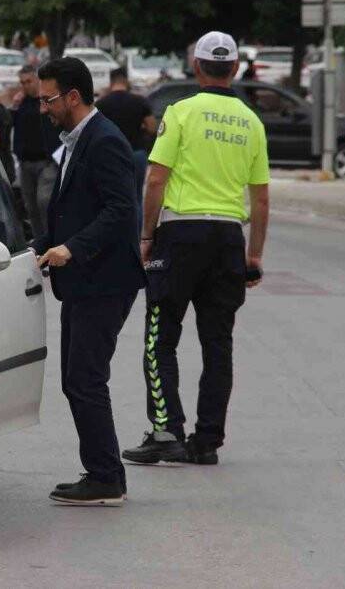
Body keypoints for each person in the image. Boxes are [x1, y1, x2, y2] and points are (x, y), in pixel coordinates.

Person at [122, 31, 270, 467]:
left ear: (197, 67)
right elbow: (260, 198)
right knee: (217, 342)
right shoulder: (251, 122)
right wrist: (254, 254)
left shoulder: (181, 113)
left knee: (159, 336)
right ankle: (207, 441)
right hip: (228, 238)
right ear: (237, 68)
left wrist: (146, 236)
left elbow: (155, 178)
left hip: (181, 234)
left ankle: (167, 431)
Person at [33, 57, 145, 506]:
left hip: (106, 279)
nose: (44, 108)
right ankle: (101, 470)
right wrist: (37, 245)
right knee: (76, 379)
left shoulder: (104, 141)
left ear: (73, 96)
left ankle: (106, 477)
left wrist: (73, 248)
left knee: (85, 378)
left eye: (49, 99)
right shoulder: (77, 139)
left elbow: (121, 211)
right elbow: (70, 209)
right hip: (83, 280)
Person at [95, 68, 157, 213]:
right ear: (126, 81)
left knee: (112, 199)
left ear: (111, 83)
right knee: (136, 199)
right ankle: (135, 234)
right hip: (136, 153)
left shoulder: (102, 104)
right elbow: (152, 128)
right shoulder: (140, 101)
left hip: (111, 155)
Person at [12, 65, 60, 237]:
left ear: (37, 81)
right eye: (22, 82)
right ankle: (40, 242)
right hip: (26, 162)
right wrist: (15, 106)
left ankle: (52, 238)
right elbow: (11, 125)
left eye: (29, 81)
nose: (25, 85)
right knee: (30, 206)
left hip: (46, 161)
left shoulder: (46, 101)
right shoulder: (22, 103)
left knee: (44, 201)